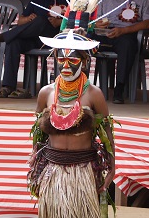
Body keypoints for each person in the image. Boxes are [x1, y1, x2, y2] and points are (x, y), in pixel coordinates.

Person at [28, 29, 115, 218]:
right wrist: (35, 161)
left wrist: (112, 167)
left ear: (84, 62)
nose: (66, 66)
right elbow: (38, 132)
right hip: (53, 172)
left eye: (73, 60)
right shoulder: (46, 93)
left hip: (82, 172)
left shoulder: (93, 94)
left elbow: (106, 130)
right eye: (61, 59)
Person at [93, 0, 149, 104]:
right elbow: (95, 20)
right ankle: (79, 85)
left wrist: (123, 31)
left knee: (127, 44)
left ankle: (119, 88)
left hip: (127, 34)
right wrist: (97, 25)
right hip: (106, 33)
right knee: (83, 38)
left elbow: (148, 23)